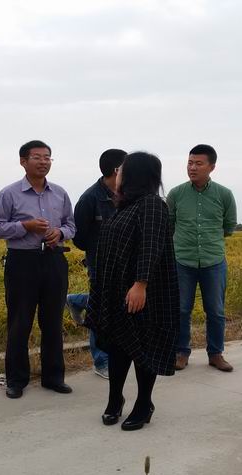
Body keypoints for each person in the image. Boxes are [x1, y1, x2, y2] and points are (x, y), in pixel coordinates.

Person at [86, 152, 179, 431]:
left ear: (135, 175)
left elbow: (151, 245)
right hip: (117, 291)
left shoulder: (152, 204)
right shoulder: (125, 206)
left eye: (122, 170)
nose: (118, 174)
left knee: (143, 346)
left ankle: (144, 404)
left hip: (141, 291)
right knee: (118, 345)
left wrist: (140, 284)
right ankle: (115, 398)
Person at [0, 140, 76, 399]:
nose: (43, 162)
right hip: (22, 262)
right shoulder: (9, 194)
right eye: (37, 157)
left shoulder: (60, 193)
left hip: (54, 260)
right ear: (23, 161)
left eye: (47, 157)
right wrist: (25, 227)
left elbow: (71, 225)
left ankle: (54, 377)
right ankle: (16, 380)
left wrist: (60, 233)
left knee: (53, 321)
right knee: (19, 322)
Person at [166, 144, 237, 372]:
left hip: (213, 261)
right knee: (181, 309)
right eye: (190, 163)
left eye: (198, 163)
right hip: (182, 260)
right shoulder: (176, 194)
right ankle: (181, 352)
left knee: (215, 311)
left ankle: (215, 354)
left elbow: (229, 226)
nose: (192, 168)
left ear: (211, 167)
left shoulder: (224, 194)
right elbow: (169, 225)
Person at [66, 148, 127, 380]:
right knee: (101, 310)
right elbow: (79, 237)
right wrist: (97, 251)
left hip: (125, 262)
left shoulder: (128, 194)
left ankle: (78, 300)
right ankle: (101, 360)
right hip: (100, 263)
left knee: (117, 303)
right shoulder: (90, 198)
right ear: (116, 170)